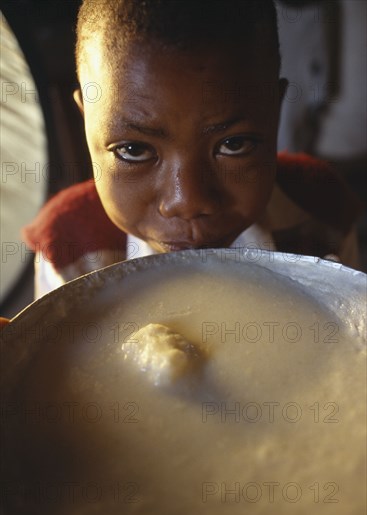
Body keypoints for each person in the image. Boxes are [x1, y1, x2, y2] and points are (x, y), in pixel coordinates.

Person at [22, 0, 362, 299]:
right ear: (86, 122)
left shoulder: (321, 214)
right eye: (133, 150)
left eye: (234, 144)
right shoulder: (68, 249)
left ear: (275, 112)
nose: (187, 201)